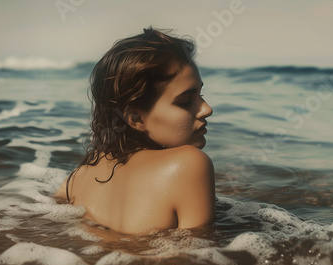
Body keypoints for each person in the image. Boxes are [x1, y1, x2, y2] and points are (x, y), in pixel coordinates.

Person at [54, 27, 215, 235]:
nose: (206, 109)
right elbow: (200, 261)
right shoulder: (189, 163)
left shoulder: (76, 178)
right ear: (136, 118)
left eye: (200, 95)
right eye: (185, 102)